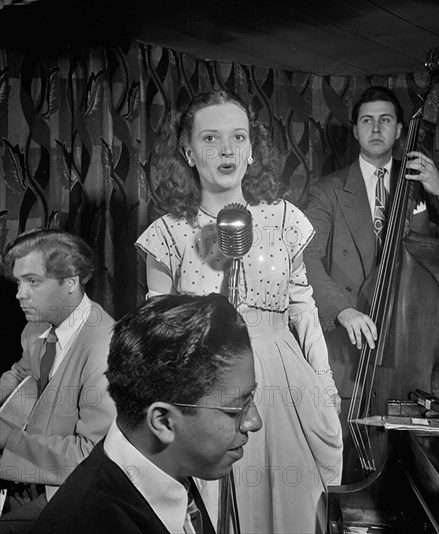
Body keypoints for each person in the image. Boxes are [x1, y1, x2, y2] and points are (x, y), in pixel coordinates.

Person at [135, 90, 343, 534]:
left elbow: (302, 306)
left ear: (252, 149)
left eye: (239, 137)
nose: (227, 150)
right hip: (207, 383)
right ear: (188, 152)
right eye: (210, 138)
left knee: (294, 509)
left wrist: (324, 384)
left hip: (282, 380)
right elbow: (157, 330)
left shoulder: (285, 218)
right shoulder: (167, 234)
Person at [303, 86, 439, 467]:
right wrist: (342, 310)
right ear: (355, 130)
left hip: (413, 352)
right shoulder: (327, 191)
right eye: (367, 121)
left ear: (400, 129)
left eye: (385, 120)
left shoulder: (421, 179)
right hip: (349, 352)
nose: (376, 128)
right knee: (343, 468)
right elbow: (305, 257)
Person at [32, 293, 262, 534]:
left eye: (251, 398)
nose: (254, 422)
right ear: (162, 422)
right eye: (236, 408)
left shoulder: (170, 469)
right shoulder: (88, 523)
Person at [0, 229, 116, 527]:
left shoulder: (104, 349)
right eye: (18, 282)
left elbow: (92, 459)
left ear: (71, 281)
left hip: (72, 491)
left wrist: (7, 439)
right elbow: (22, 378)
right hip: (27, 476)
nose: (19, 294)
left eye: (33, 282)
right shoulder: (36, 326)